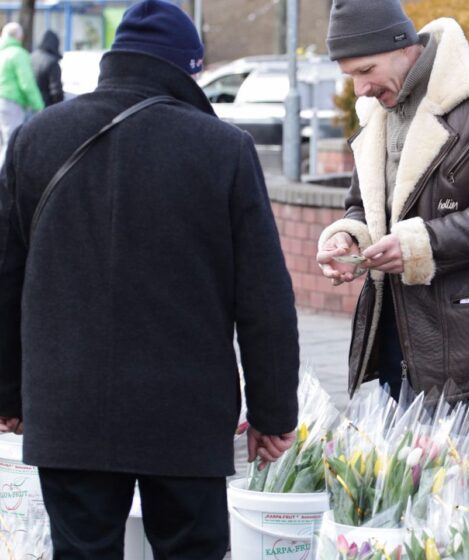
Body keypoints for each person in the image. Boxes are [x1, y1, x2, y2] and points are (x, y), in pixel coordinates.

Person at [0, 1, 300, 558]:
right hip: (185, 416)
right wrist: (273, 413)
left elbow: (5, 280)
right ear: (189, 69)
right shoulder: (223, 150)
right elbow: (264, 298)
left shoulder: (35, 139)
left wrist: (8, 393)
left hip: (68, 411)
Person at [316, 0, 469, 442]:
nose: (360, 89)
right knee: (404, 503)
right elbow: (361, 205)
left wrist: (422, 244)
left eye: (365, 70)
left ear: (402, 46)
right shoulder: (376, 114)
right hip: (397, 348)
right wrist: (349, 237)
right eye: (350, 75)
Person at [0, 22, 42, 168]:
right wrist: (39, 105)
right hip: (11, 103)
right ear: (18, 36)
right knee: (10, 145)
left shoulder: (2, 53)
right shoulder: (18, 54)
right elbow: (27, 84)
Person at [31, 29, 63, 107]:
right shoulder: (52, 62)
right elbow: (56, 91)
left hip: (30, 103)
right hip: (46, 106)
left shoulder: (31, 57)